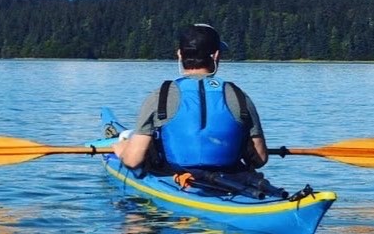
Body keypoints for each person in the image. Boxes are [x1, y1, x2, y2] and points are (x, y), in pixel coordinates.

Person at [113, 23, 268, 173]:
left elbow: (133, 161)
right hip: (229, 178)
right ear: (216, 55)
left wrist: (120, 149)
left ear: (180, 54)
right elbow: (259, 159)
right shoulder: (239, 96)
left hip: (174, 175)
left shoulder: (160, 96)